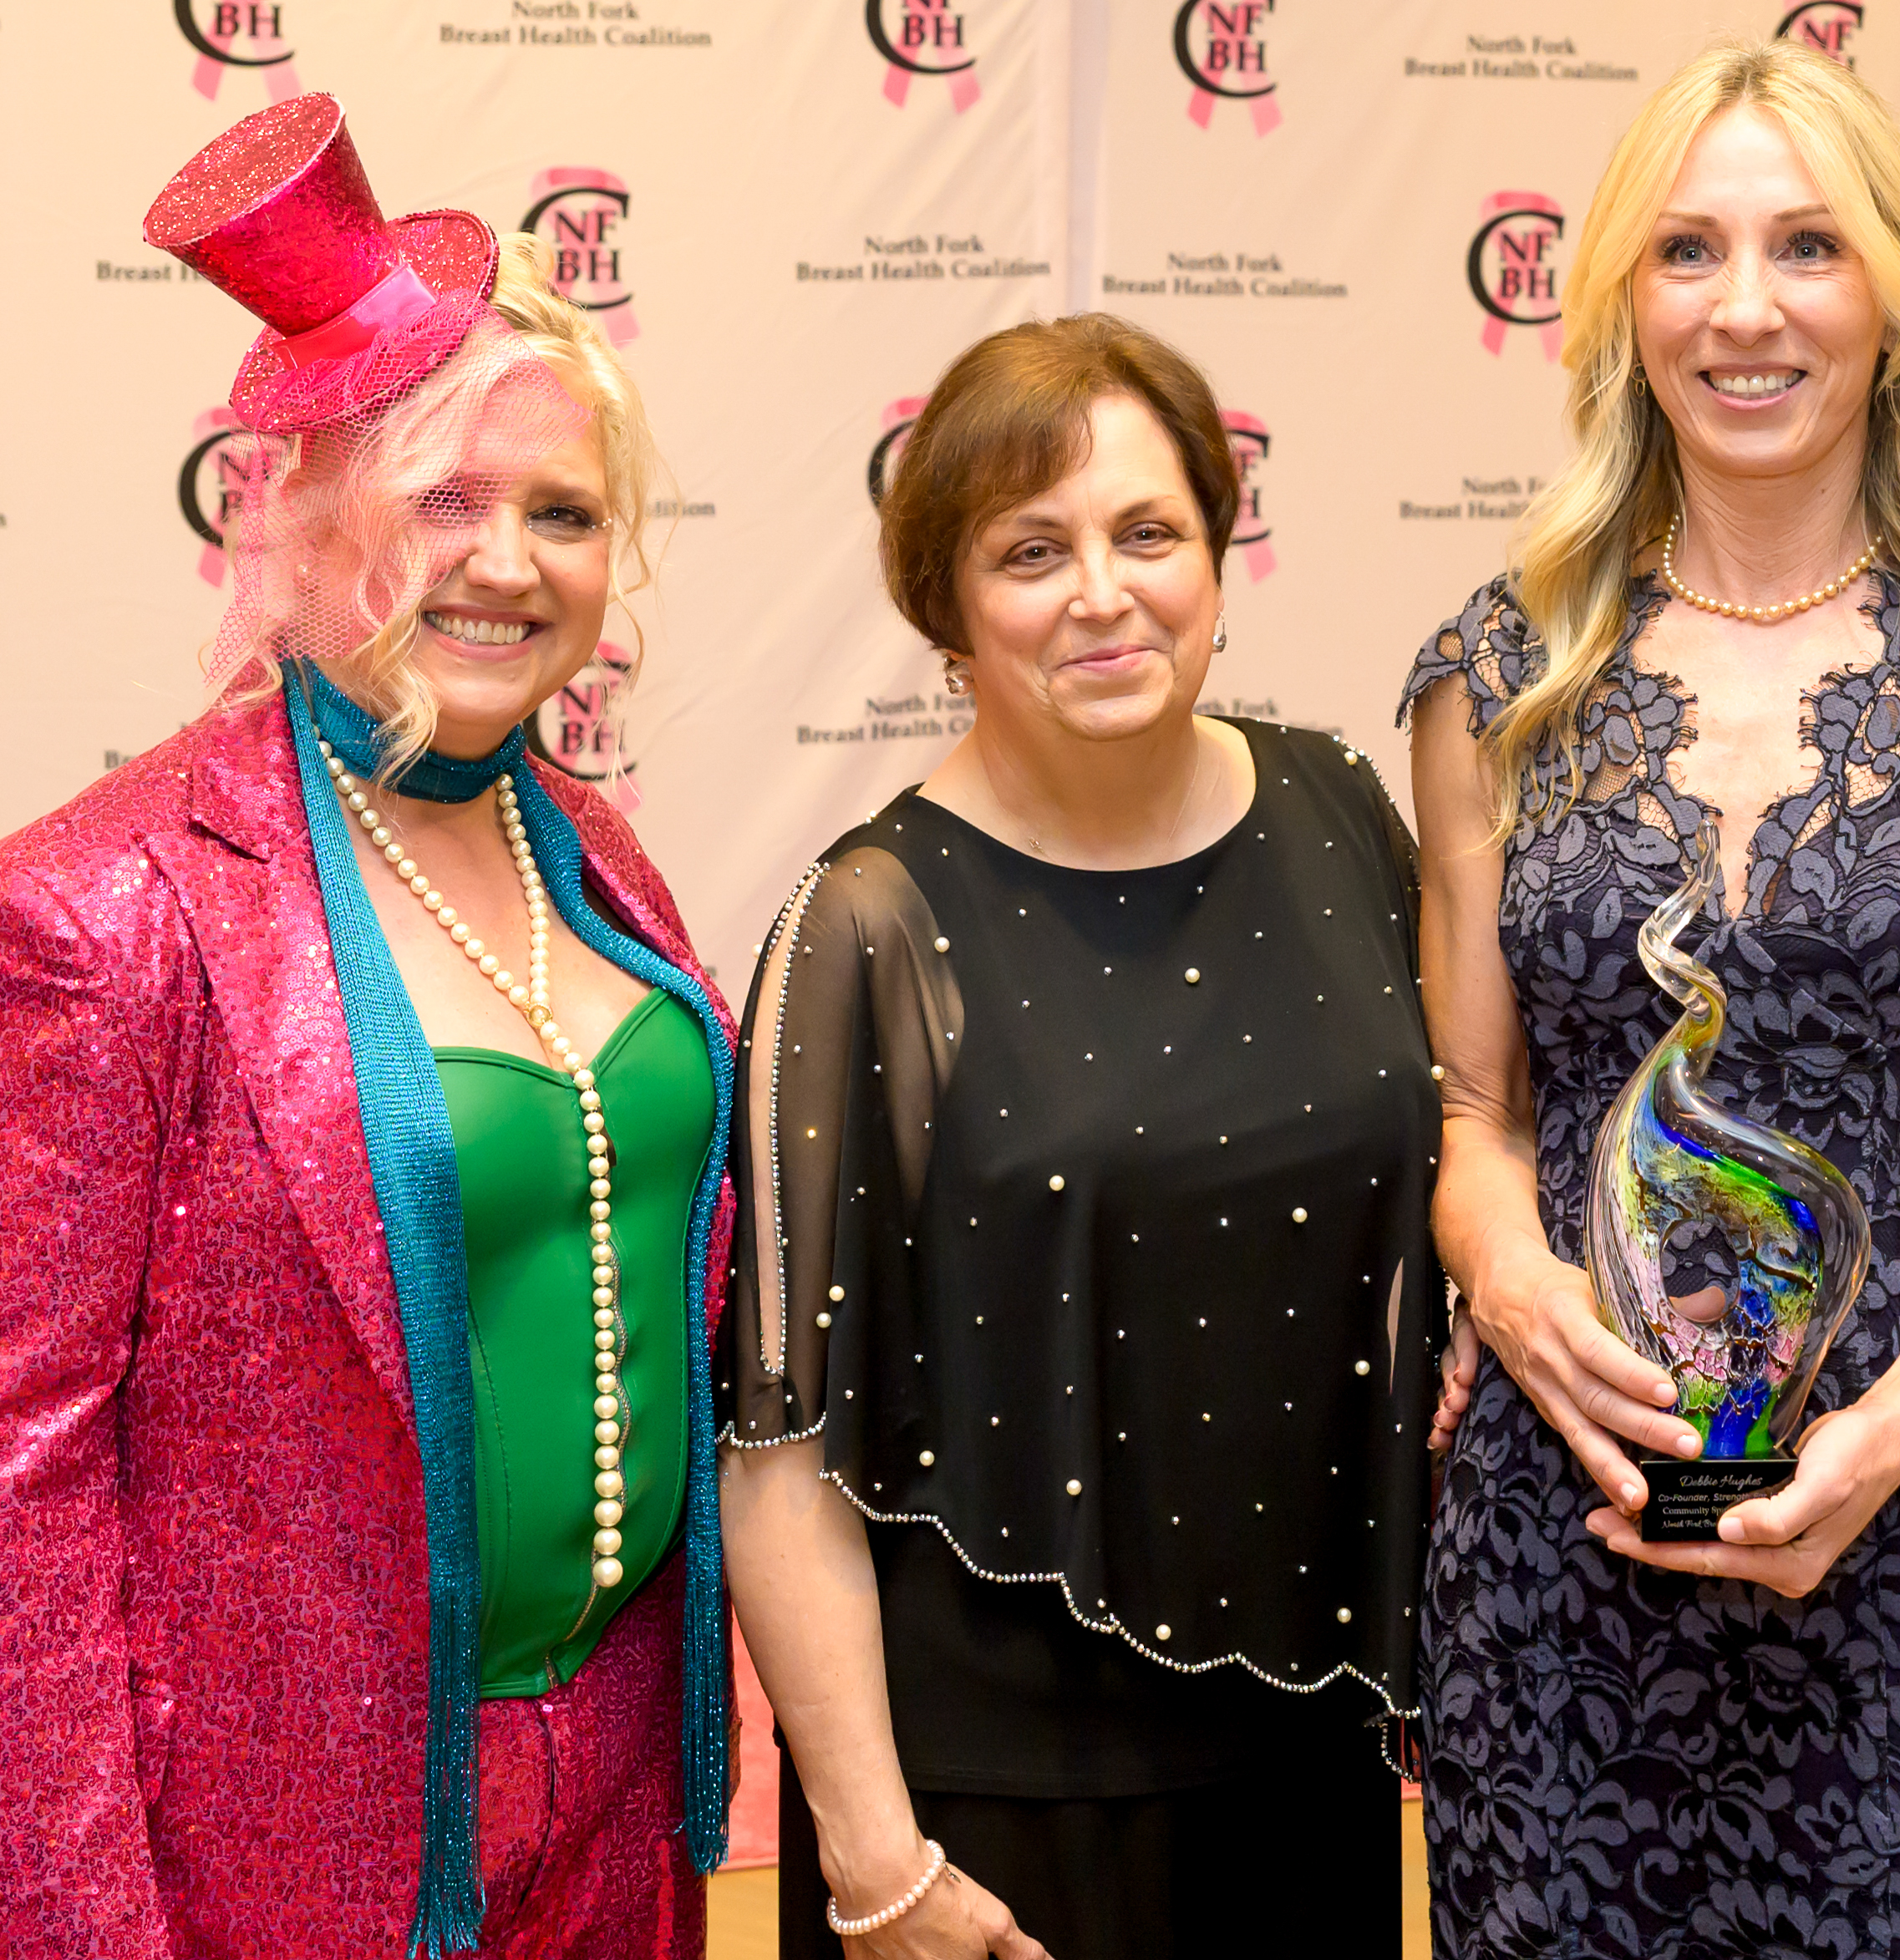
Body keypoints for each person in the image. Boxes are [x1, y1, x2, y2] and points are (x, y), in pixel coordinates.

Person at [1404, 38, 1900, 1957]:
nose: (1745, 309)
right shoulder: (1496, 681)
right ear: (1619, 308)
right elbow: (1473, 1114)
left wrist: (1888, 1435)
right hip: (1570, 1540)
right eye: (1686, 252)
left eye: (1806, 249)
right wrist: (1509, 1287)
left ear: (1894, 300)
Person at [0, 96, 735, 1957]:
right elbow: (25, 1480)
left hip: (624, 1785)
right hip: (277, 1839)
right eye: (447, 503)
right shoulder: (105, 903)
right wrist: (86, 1923)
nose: (507, 563)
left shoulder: (595, 855)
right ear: (315, 515)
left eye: (562, 514)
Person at [720, 313, 1438, 1960]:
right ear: (947, 605)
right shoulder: (865, 930)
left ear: (1218, 551)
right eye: (1031, 551)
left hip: (1312, 1748)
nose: (1103, 594)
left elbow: (1453, 1157)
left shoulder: (1337, 808)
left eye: (1147, 534)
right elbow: (779, 1459)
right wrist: (873, 1861)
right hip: (997, 1807)